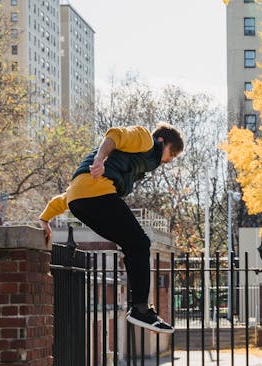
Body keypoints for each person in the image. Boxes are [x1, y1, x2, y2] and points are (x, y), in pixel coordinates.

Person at [39, 123, 184, 334]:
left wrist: (45, 217)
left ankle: (139, 306)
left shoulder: (127, 165)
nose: (170, 160)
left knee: (132, 244)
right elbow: (114, 134)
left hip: (80, 202)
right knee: (140, 243)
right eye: (173, 153)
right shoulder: (146, 139)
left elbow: (75, 192)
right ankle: (141, 308)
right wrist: (99, 159)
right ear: (163, 141)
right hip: (96, 194)